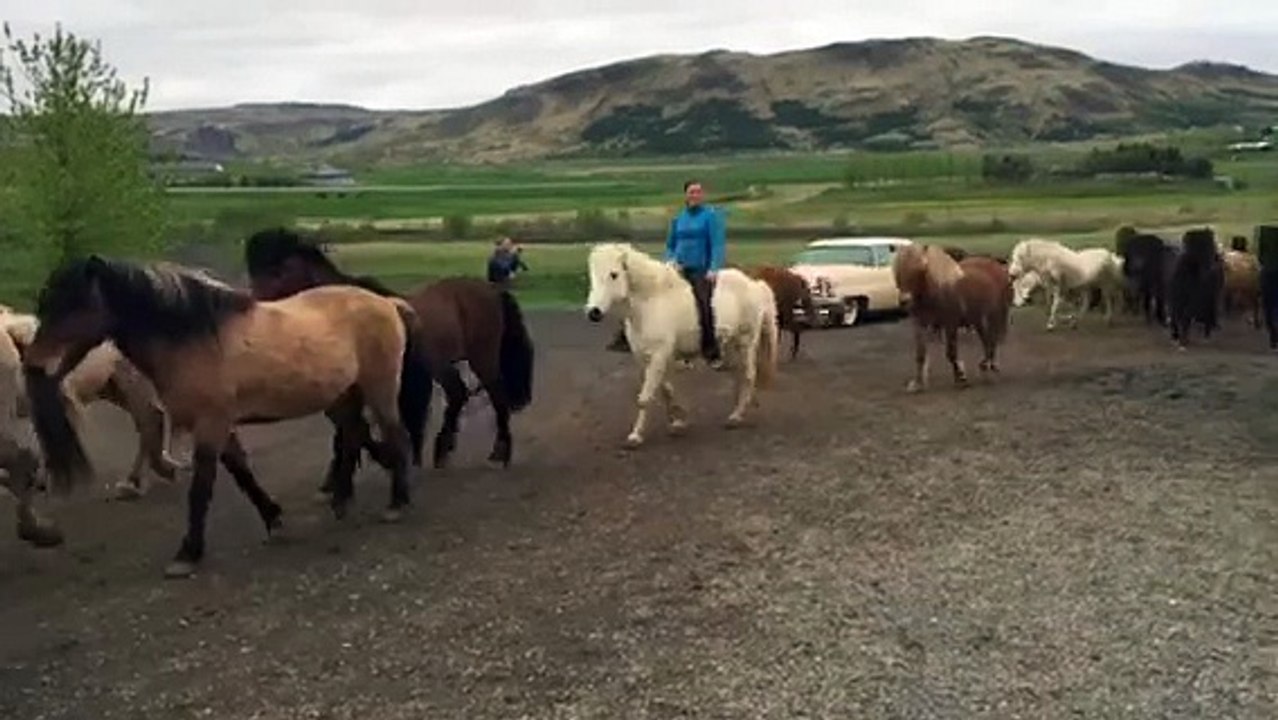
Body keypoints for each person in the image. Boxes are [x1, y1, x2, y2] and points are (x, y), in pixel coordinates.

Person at [607, 180, 725, 362]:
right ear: (686, 195)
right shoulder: (679, 219)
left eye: (698, 192)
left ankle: (710, 349)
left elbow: (717, 244)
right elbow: (670, 245)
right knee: (644, 296)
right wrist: (669, 261)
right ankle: (625, 338)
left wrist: (714, 268)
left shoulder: (710, 217)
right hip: (677, 269)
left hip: (700, 270)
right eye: (692, 192)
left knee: (703, 303)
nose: (695, 196)